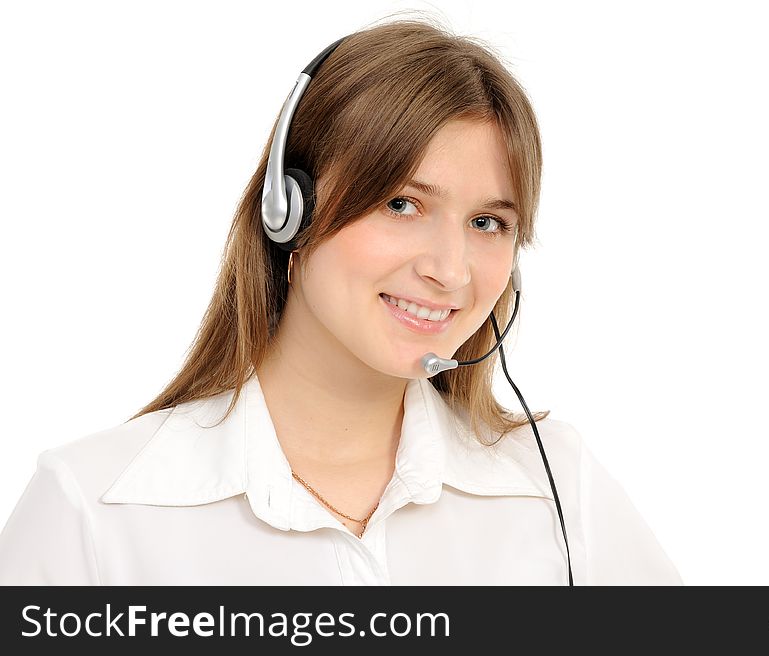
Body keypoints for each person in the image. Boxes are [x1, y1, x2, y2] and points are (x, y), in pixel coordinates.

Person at [0, 17, 682, 585]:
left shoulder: (554, 485)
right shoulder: (94, 508)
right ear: (287, 211)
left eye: (487, 223)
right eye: (402, 203)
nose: (450, 270)